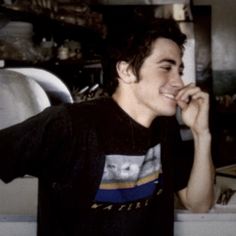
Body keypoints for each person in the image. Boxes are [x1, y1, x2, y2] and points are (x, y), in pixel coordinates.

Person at [0, 17, 214, 236]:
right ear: (126, 71)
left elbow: (198, 204)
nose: (179, 82)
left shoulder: (165, 127)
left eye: (179, 70)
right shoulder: (70, 124)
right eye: (166, 68)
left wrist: (201, 133)